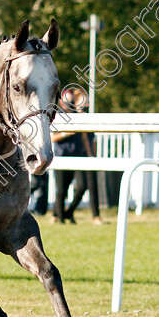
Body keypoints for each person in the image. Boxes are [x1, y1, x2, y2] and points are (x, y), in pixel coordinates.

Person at [50, 88, 102, 224]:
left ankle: (68, 213)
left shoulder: (78, 115)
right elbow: (52, 138)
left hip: (78, 156)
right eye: (68, 101)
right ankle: (59, 217)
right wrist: (67, 133)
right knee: (61, 189)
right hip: (62, 157)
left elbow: (86, 137)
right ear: (61, 102)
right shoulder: (57, 116)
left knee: (82, 186)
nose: (70, 103)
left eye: (72, 100)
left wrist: (91, 154)